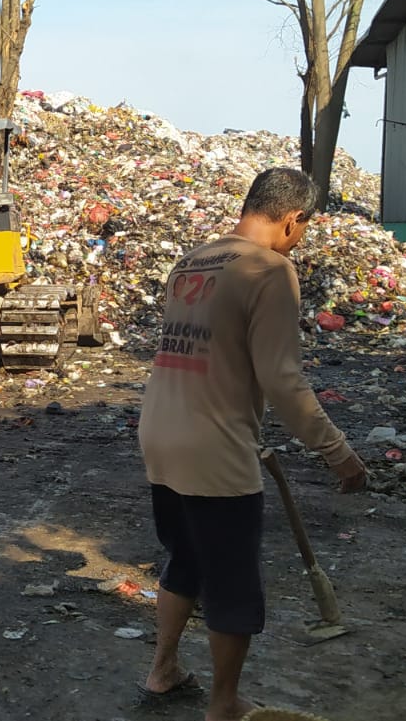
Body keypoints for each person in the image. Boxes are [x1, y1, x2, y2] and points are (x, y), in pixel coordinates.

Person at [136, 167, 368, 720]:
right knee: (234, 585)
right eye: (304, 227)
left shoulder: (192, 260)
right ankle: (224, 704)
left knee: (185, 559)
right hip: (214, 447)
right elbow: (283, 380)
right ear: (293, 220)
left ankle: (162, 671)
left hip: (159, 434)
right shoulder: (270, 270)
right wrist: (337, 450)